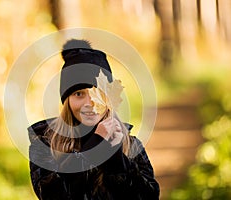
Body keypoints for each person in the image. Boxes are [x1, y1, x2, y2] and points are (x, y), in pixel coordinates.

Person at [28, 39, 160, 200]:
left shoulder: (130, 145)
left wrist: (116, 159)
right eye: (79, 94)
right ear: (67, 100)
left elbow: (149, 196)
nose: (89, 103)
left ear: (110, 97)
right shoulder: (45, 145)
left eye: (98, 93)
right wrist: (95, 145)